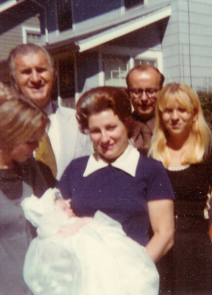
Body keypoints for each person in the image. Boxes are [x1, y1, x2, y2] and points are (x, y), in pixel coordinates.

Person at [58, 86, 175, 264]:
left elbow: (164, 235)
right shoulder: (76, 169)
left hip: (132, 278)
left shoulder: (150, 169)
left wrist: (134, 272)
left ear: (127, 124)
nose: (104, 139)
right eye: (96, 131)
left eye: (111, 127)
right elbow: (57, 221)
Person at [149, 83, 212, 295]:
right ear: (161, 115)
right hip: (158, 252)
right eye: (168, 110)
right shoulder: (148, 158)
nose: (175, 117)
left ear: (194, 114)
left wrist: (202, 252)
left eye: (182, 110)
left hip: (197, 254)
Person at [22, 188, 159, 295]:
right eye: (64, 209)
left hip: (96, 262)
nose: (69, 209)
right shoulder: (48, 237)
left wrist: (78, 224)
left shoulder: (76, 222)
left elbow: (93, 223)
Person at [7, 43, 92, 186]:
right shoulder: (5, 125)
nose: (35, 79)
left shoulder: (78, 121)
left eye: (41, 70)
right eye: (26, 72)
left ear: (54, 74)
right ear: (14, 80)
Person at [0, 82, 49, 295]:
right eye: (31, 142)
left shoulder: (29, 168)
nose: (37, 148)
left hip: (36, 286)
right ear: (8, 135)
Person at [126, 64, 164, 149]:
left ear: (162, 91)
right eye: (137, 91)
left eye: (151, 91)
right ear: (127, 93)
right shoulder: (121, 129)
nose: (144, 98)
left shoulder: (172, 127)